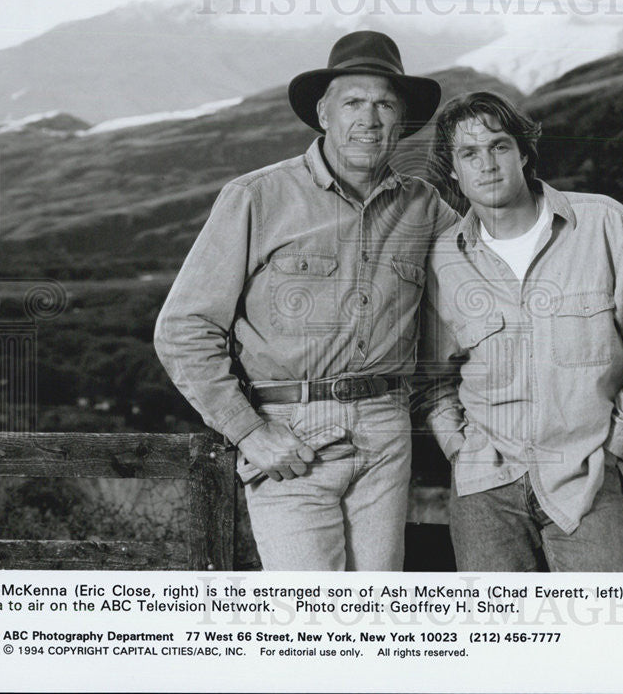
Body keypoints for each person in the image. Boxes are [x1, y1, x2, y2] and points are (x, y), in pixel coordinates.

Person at [154, 31, 457, 571]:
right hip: (290, 437)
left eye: (385, 104)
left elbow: (491, 270)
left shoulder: (425, 207)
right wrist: (250, 431)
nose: (370, 118)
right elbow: (183, 328)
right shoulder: (256, 197)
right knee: (311, 620)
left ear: (402, 120)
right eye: (354, 103)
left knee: (375, 618)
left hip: (387, 435)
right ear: (324, 114)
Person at [418, 91, 623, 571]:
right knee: (499, 640)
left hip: (588, 477)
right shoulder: (446, 259)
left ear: (523, 153)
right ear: (454, 171)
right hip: (484, 486)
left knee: (598, 636)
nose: (487, 164)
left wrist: (620, 444)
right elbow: (433, 374)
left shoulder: (603, 224)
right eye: (469, 154)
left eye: (499, 147)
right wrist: (457, 447)